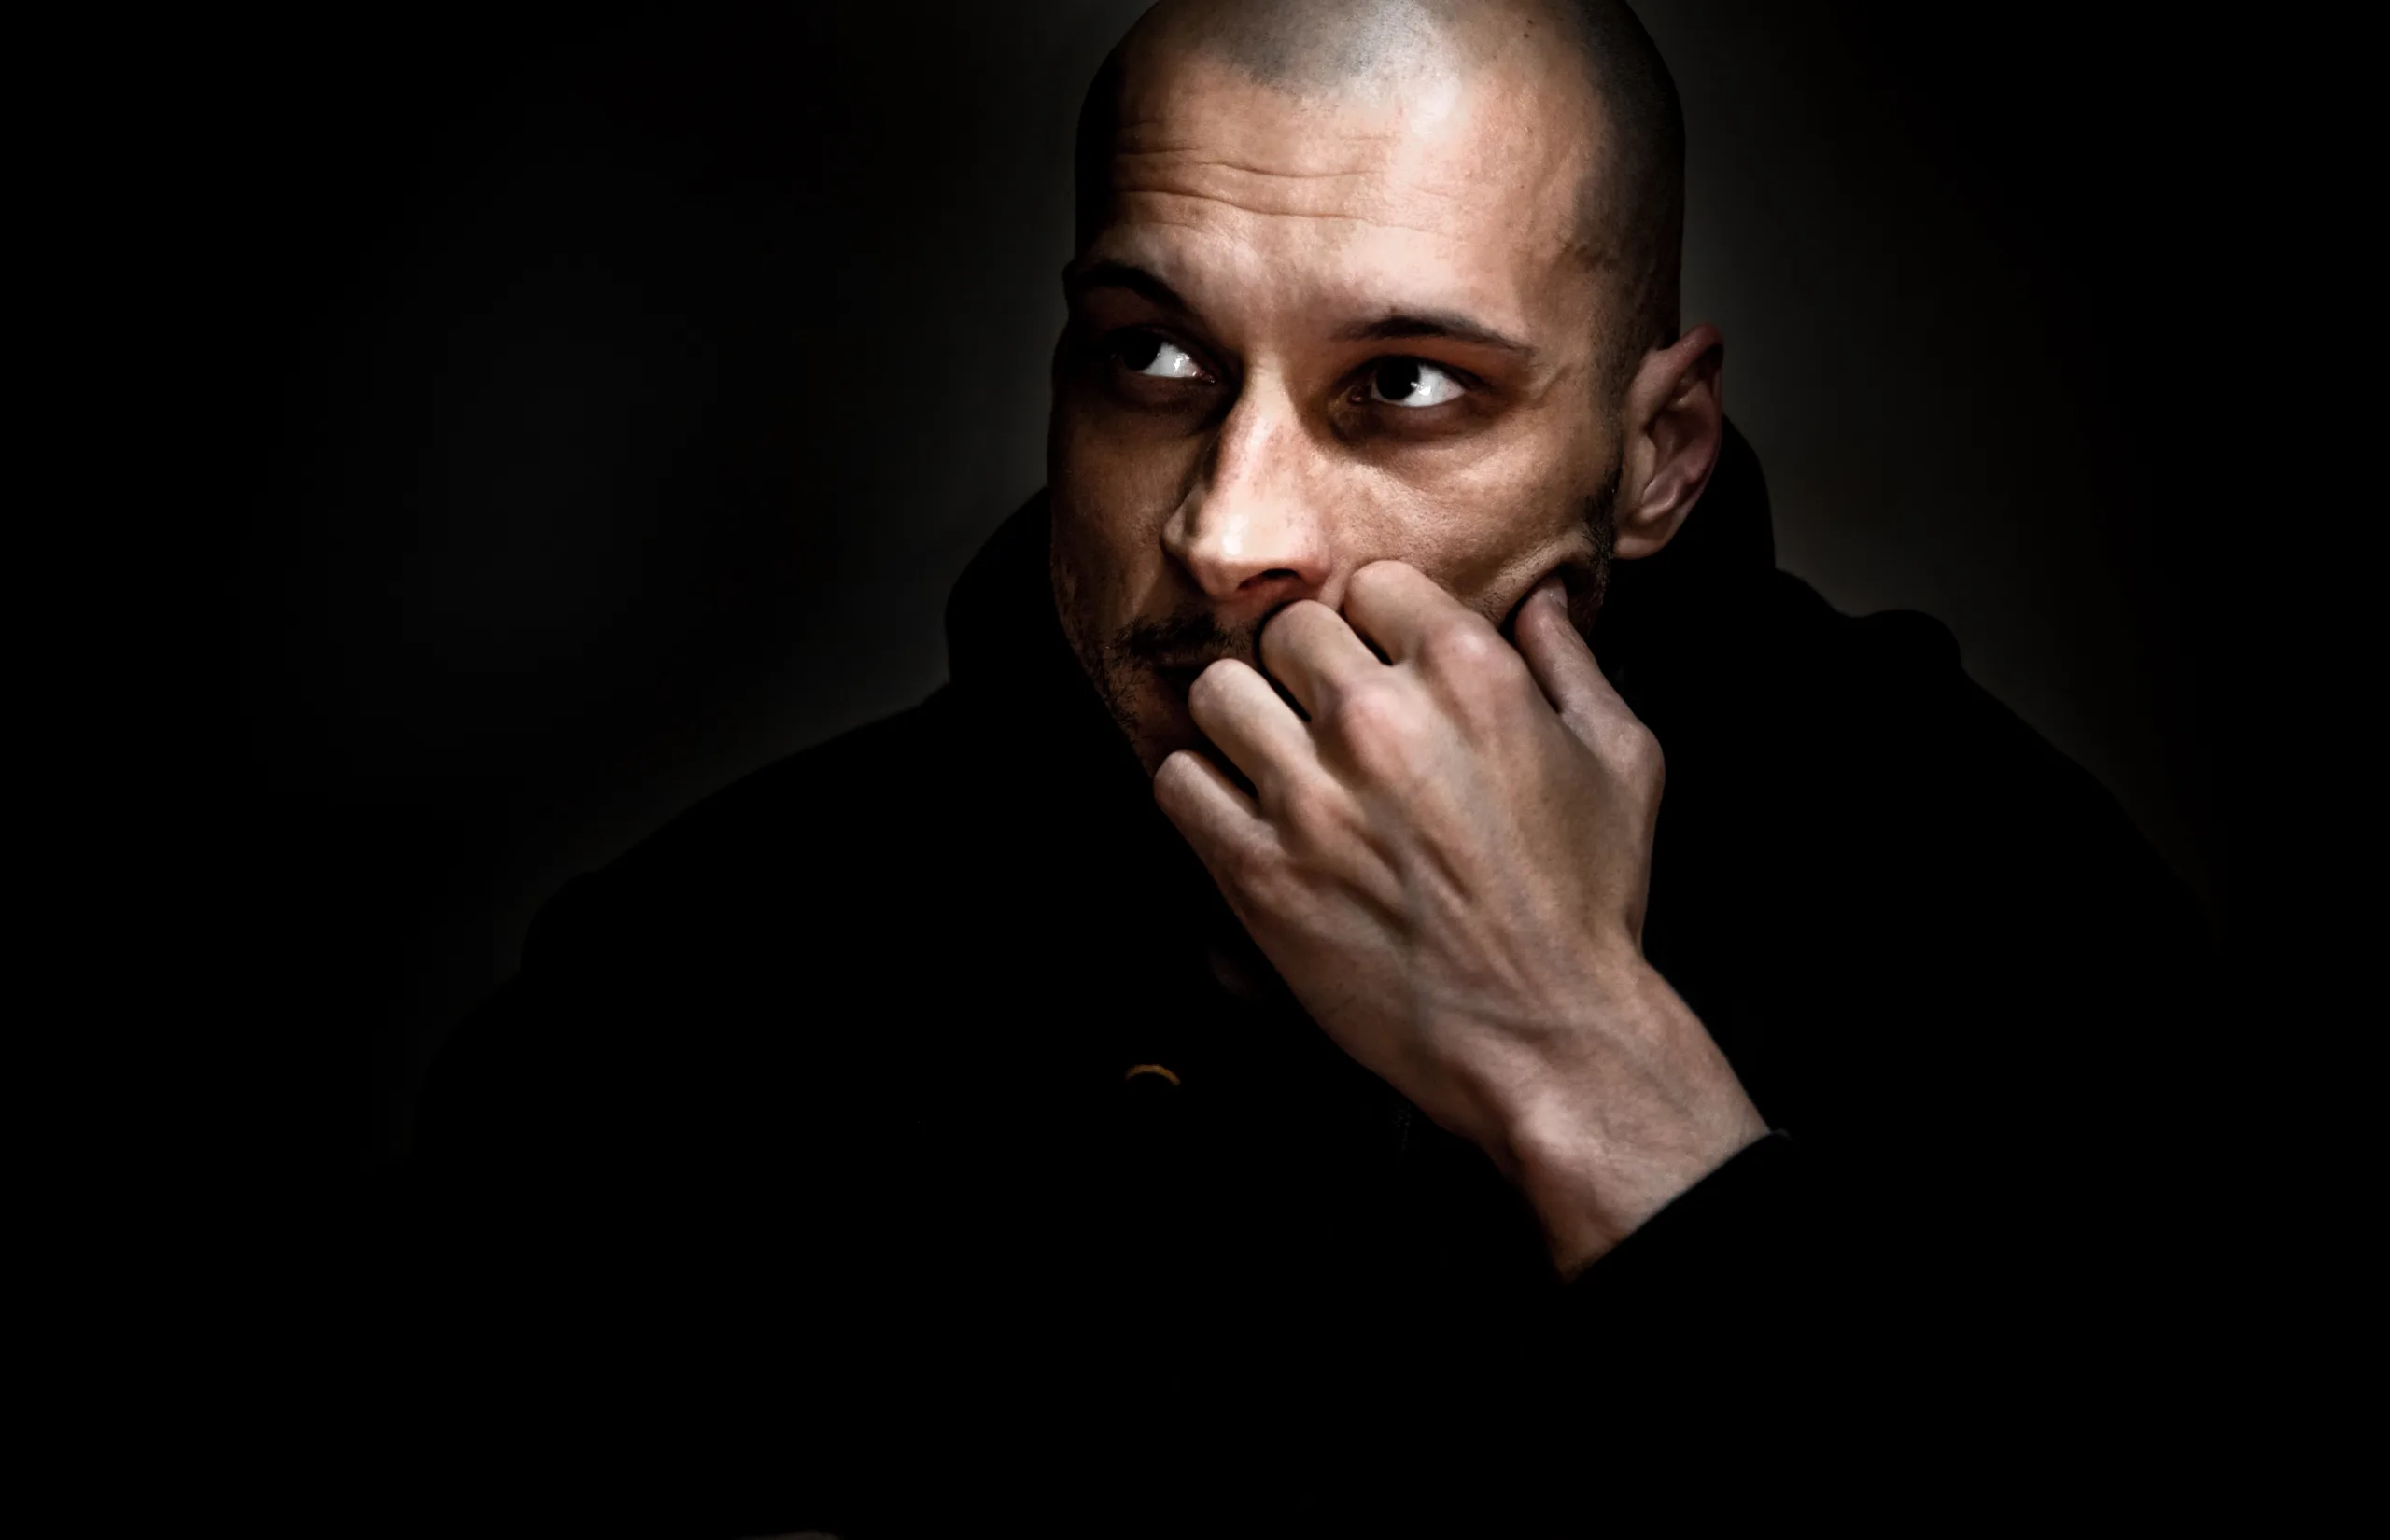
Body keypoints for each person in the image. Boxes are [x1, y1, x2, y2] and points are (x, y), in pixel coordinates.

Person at [380, 1, 2215, 1531]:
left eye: (1404, 383)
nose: (1226, 531)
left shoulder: (1999, 915)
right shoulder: (679, 997)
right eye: (1150, 356)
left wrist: (1579, 1069)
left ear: (1654, 454)